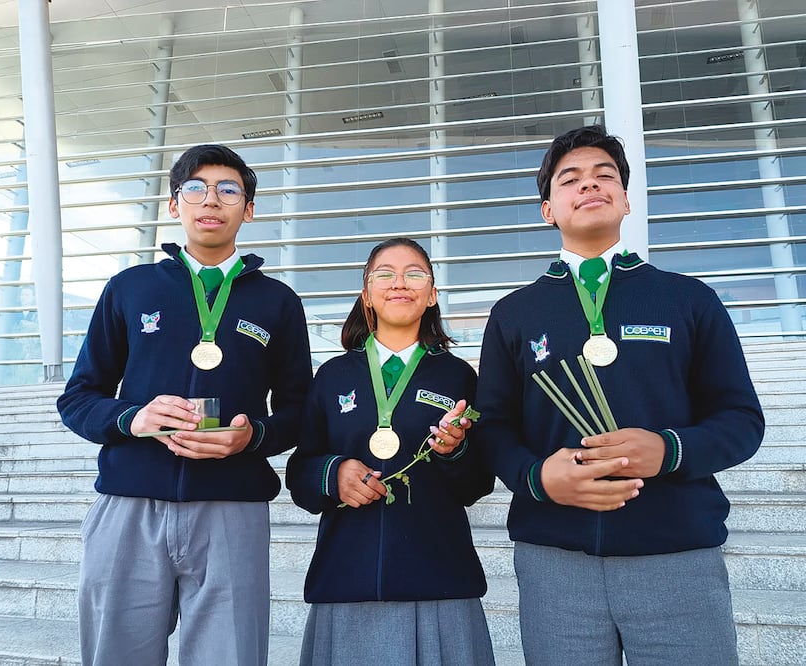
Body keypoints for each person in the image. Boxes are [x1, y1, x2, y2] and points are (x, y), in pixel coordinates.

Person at [472, 125, 764, 665]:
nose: (590, 185)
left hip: (676, 551)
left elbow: (742, 418)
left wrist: (670, 449)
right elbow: (492, 426)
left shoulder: (689, 299)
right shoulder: (512, 315)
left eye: (605, 176)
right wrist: (538, 477)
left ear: (626, 200)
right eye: (571, 179)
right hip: (554, 556)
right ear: (547, 210)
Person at [57, 144, 313, 666]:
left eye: (228, 189)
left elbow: (299, 411)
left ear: (249, 209)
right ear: (175, 205)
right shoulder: (130, 288)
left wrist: (252, 436)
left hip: (232, 507)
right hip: (129, 502)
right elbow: (79, 398)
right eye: (195, 188)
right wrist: (133, 418)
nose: (210, 200)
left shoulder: (278, 302)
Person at [286, 237, 496, 666]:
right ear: (366, 294)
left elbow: (479, 482)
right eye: (385, 274)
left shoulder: (458, 377)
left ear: (432, 294)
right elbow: (300, 472)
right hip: (346, 577)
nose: (400, 283)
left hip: (440, 578)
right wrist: (334, 473)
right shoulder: (332, 376)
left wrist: (454, 451)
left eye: (415, 273)